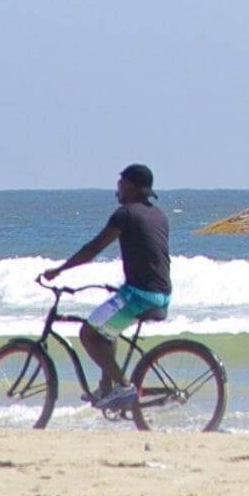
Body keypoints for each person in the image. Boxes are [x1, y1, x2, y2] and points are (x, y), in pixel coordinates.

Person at [41, 164, 172, 414]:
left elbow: (92, 249)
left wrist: (59, 270)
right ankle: (106, 387)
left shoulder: (125, 214)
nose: (117, 189)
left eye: (120, 184)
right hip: (161, 294)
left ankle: (123, 386)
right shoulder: (159, 215)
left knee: (89, 334)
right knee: (107, 331)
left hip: (139, 295)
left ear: (131, 186)